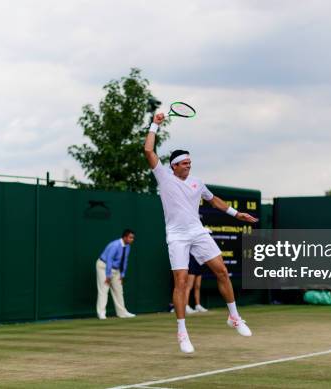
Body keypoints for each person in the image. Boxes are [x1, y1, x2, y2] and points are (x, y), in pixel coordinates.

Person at [144, 112, 258, 353]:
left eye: (190, 163)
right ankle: (182, 332)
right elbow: (148, 151)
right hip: (176, 236)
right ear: (174, 166)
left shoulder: (197, 182)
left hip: (198, 232)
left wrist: (236, 214)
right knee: (181, 282)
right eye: (185, 163)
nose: (189, 165)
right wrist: (155, 124)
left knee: (223, 272)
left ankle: (234, 317)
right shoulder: (163, 177)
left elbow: (213, 200)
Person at [96, 229, 136, 320]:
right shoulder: (115, 245)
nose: (132, 239)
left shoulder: (128, 247)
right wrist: (108, 275)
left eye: (133, 238)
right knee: (104, 290)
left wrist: (122, 274)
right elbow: (109, 260)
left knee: (119, 290)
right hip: (104, 266)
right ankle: (101, 313)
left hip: (116, 270)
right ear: (124, 237)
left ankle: (122, 313)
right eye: (130, 237)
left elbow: (124, 261)